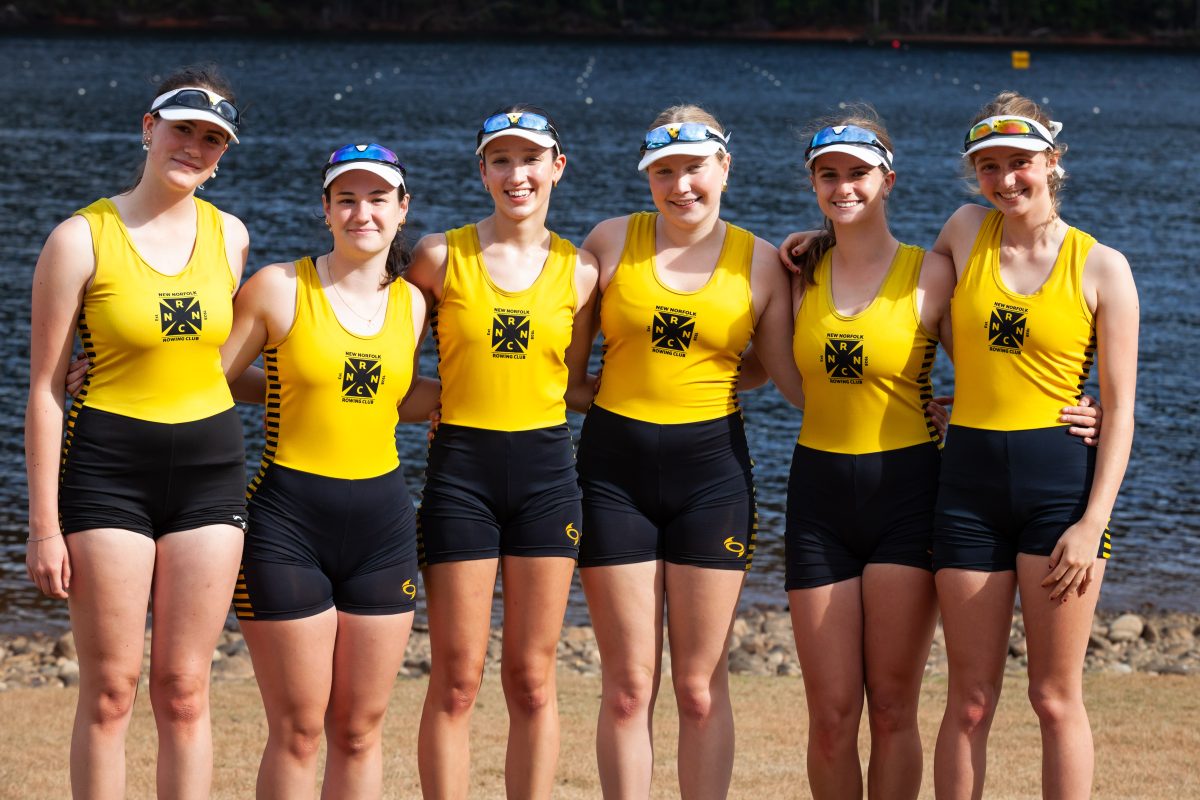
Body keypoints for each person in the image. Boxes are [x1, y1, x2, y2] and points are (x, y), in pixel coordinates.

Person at [25, 66, 248, 799]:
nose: (194, 147)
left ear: (222, 155)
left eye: (211, 139)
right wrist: (44, 526)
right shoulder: (79, 239)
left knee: (184, 691)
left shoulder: (232, 237)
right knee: (112, 690)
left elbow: (214, 361)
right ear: (149, 129)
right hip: (109, 473)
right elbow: (46, 390)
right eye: (182, 129)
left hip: (211, 476)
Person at [576, 104, 805, 799]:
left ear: (724, 167)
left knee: (700, 690)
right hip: (612, 476)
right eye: (664, 172)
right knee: (627, 688)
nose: (680, 186)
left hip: (713, 479)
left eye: (694, 169)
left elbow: (788, 377)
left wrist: (932, 406)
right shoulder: (610, 242)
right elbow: (561, 370)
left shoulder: (762, 263)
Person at [930, 93, 1138, 800]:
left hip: (1061, 495)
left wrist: (1092, 522)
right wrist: (818, 242)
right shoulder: (964, 230)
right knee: (969, 701)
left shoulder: (1103, 267)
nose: (1004, 179)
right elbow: (908, 297)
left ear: (1052, 161)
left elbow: (1121, 412)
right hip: (966, 490)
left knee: (1054, 698)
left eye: (1019, 161)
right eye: (988, 166)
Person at [219, 143, 431, 799]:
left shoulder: (414, 305)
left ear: (402, 209)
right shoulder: (278, 288)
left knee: (360, 731)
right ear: (326, 209)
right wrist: (106, 371)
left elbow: (390, 398)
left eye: (378, 199)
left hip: (384, 529)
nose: (362, 213)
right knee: (299, 730)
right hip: (288, 527)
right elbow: (208, 378)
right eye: (347, 199)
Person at [407, 106, 599, 800]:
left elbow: (575, 386)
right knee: (457, 680)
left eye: (531, 159)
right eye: (501, 160)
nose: (517, 175)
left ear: (557, 167)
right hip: (461, 476)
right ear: (482, 171)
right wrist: (436, 401)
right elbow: (376, 348)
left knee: (532, 679)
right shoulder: (438, 257)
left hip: (547, 478)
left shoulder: (582, 271)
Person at [773, 108, 955, 800]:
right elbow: (763, 368)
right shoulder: (798, 272)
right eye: (829, 175)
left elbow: (1000, 368)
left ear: (888, 180)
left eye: (858, 173)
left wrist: (1081, 407)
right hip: (817, 498)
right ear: (813, 184)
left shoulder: (932, 275)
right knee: (830, 717)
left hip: (907, 495)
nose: (843, 187)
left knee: (892, 709)